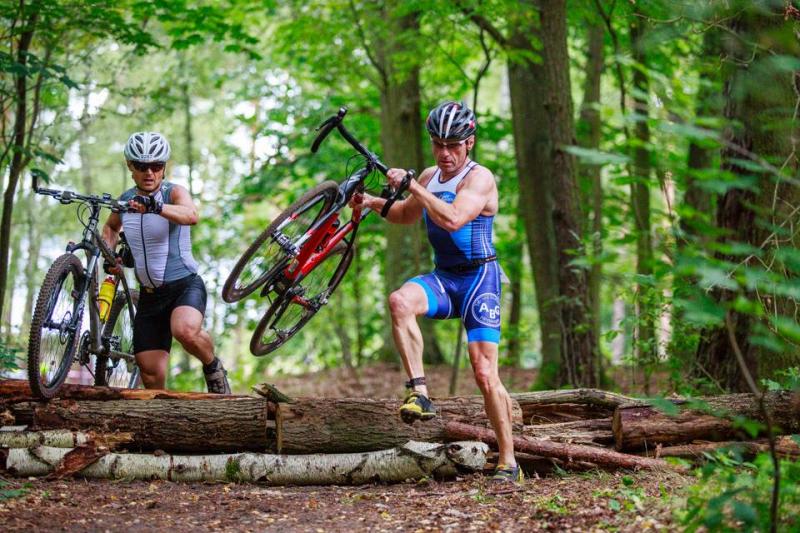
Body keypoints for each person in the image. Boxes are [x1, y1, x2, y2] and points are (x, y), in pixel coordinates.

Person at [352, 101, 520, 482]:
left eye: (453, 145)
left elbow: (454, 218)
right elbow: (406, 214)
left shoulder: (480, 179)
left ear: (469, 143)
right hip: (445, 279)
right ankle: (420, 393)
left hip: (480, 280)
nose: (445, 153)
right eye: (438, 144)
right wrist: (371, 202)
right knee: (399, 301)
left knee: (484, 372)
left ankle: (509, 461)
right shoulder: (429, 176)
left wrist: (412, 185)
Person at [102, 131, 231, 394]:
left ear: (164, 167)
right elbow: (111, 228)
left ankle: (213, 367)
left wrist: (155, 206)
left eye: (156, 165)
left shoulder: (174, 192)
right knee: (150, 374)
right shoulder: (125, 200)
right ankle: (162, 414)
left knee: (185, 331)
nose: (149, 172)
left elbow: (190, 215)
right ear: (130, 166)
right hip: (150, 297)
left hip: (184, 286)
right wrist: (109, 256)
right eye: (141, 166)